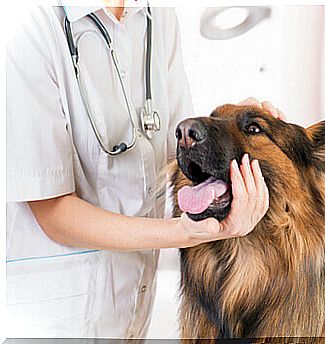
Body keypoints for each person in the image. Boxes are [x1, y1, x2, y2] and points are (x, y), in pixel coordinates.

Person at [6, 1, 284, 338]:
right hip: (53, 316)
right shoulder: (27, 24)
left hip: (133, 306)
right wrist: (184, 233)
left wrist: (236, 129)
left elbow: (176, 144)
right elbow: (52, 212)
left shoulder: (157, 15)